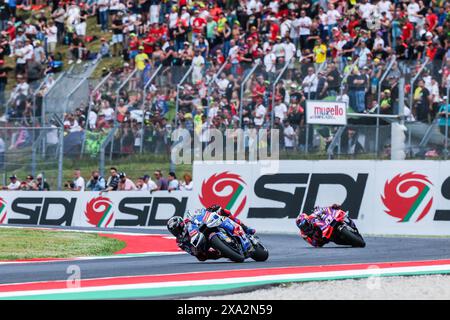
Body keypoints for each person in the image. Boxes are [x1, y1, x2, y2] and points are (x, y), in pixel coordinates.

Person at [167, 204, 255, 261]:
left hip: (206, 227)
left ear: (181, 224)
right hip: (202, 242)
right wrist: (194, 250)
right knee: (201, 257)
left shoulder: (188, 221)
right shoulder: (180, 241)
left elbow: (198, 213)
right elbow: (191, 251)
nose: (176, 232)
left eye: (177, 229)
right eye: (174, 231)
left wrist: (208, 210)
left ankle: (245, 228)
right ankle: (225, 253)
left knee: (222, 211)